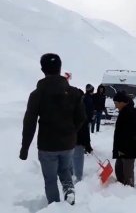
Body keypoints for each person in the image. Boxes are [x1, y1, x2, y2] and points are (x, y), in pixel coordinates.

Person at [19, 53, 86, 205]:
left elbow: (29, 122)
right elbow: (81, 117)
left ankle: (54, 206)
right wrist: (71, 131)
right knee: (65, 171)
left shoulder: (37, 94)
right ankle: (69, 191)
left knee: (50, 179)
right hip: (68, 143)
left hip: (47, 145)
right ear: (60, 68)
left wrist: (25, 148)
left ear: (42, 69)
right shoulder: (74, 92)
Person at [112, 91, 136, 187]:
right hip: (122, 149)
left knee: (127, 172)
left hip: (128, 150)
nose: (116, 106)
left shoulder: (130, 113)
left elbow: (133, 134)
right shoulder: (124, 111)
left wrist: (124, 149)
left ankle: (129, 190)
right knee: (119, 170)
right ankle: (121, 188)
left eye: (116, 104)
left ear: (122, 102)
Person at [72, 89, 93, 183]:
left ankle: (71, 177)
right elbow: (84, 129)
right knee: (78, 159)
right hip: (78, 141)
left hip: (67, 142)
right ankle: (78, 180)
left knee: (71, 159)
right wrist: (87, 144)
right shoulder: (80, 110)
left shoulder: (66, 108)